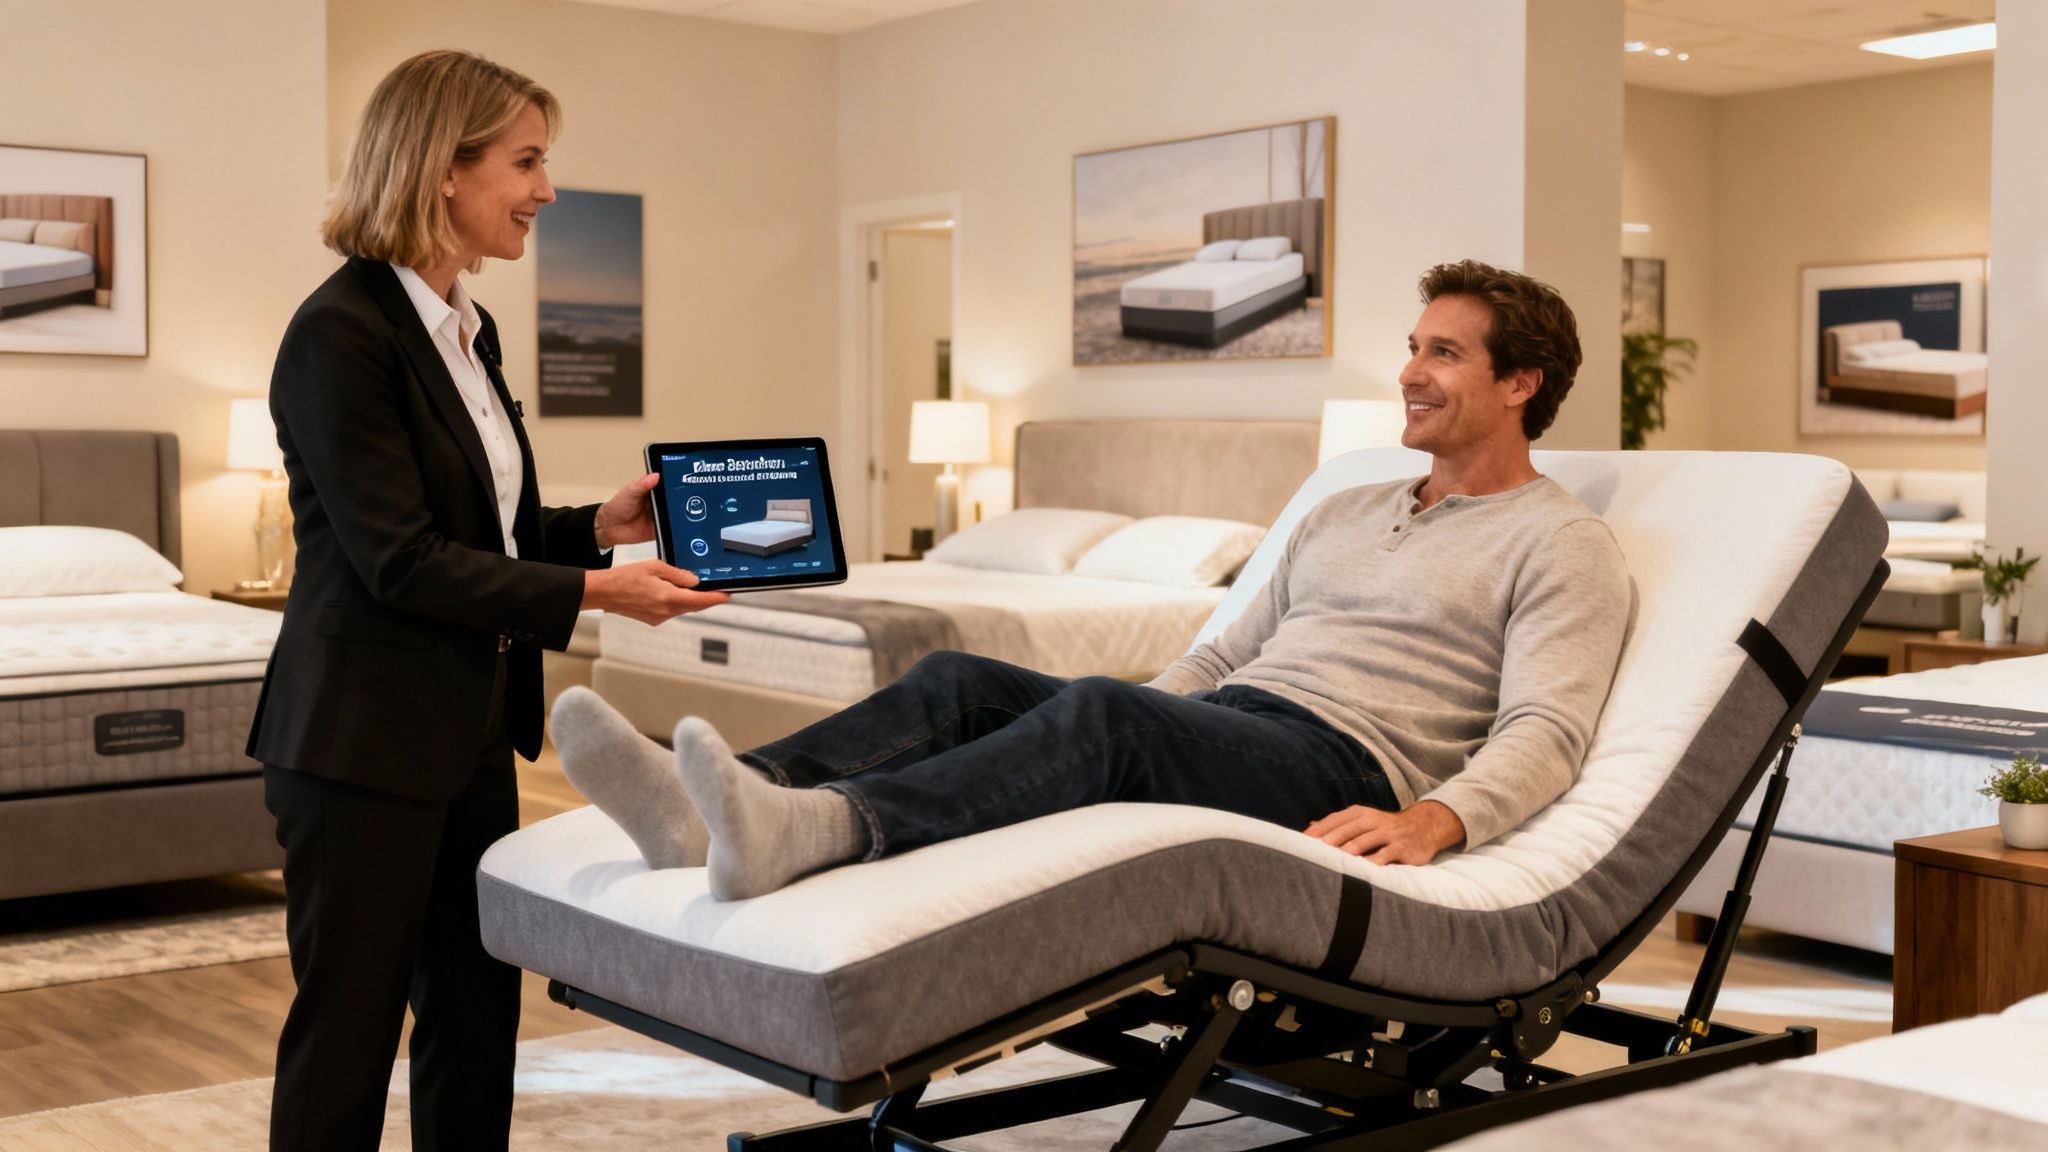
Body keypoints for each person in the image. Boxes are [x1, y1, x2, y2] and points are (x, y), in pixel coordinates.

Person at [553, 259, 1631, 904]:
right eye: (1411, 345)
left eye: (1442, 353)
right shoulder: (1344, 506)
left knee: (1109, 712)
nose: (1407, 370)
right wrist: (1127, 714)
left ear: (1520, 382)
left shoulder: (1557, 541)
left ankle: (824, 826)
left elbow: (1546, 726)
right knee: (958, 681)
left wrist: (1438, 818)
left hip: (1344, 765)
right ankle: (720, 804)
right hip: (1243, 724)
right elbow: (1217, 654)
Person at [247, 50, 725, 1152]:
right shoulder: (340, 335)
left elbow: (478, 530)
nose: (545, 191)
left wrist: (585, 532)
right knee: (350, 1032)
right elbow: (399, 562)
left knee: (474, 1016)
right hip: (358, 745)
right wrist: (597, 595)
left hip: (464, 729)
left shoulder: (466, 328)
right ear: (441, 170)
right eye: (526, 161)